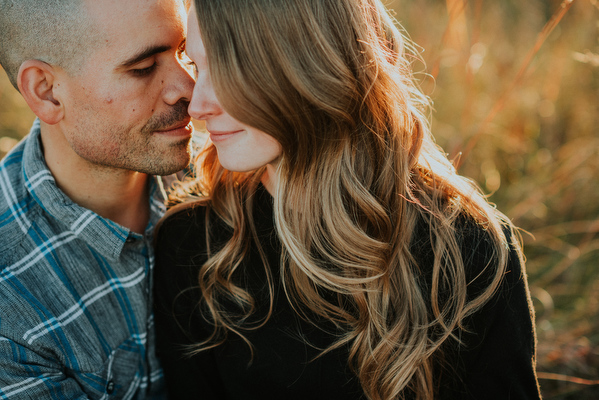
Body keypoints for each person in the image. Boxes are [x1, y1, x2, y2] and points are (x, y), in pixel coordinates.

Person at [153, 0, 543, 399]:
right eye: (198, 68)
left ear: (309, 64)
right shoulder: (193, 248)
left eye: (228, 71)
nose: (198, 107)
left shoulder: (465, 247)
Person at [0, 0, 195, 397]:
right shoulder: (9, 303)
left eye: (183, 53)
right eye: (143, 69)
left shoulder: (226, 162)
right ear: (47, 92)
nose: (189, 89)